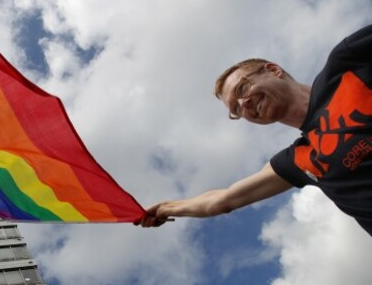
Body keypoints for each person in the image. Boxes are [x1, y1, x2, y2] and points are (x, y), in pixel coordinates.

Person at [138, 24, 372, 235]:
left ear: (273, 70)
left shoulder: (345, 66)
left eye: (242, 89)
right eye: (235, 109)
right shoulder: (300, 159)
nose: (243, 104)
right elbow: (223, 199)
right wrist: (166, 208)